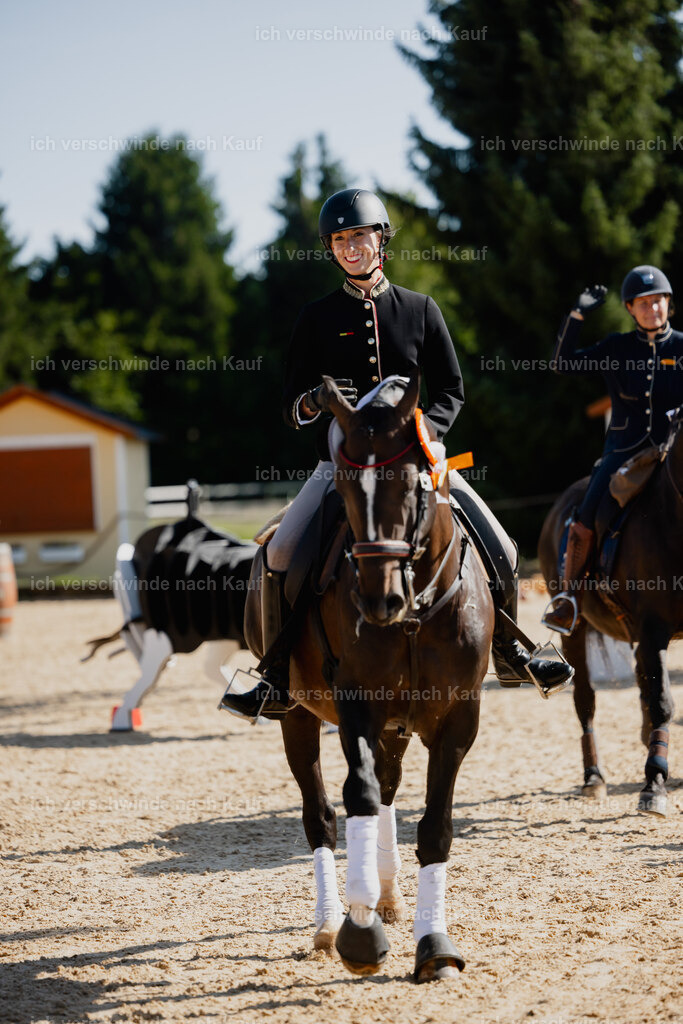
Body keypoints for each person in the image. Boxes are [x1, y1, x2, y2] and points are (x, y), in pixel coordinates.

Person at [221, 188, 572, 719]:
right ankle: (274, 676)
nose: (350, 246)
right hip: (340, 467)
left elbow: (452, 390)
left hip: (417, 463)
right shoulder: (315, 318)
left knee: (498, 542)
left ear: (380, 239)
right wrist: (315, 400)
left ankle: (512, 649)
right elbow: (290, 409)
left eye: (359, 235)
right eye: (340, 239)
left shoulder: (420, 309)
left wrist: (423, 435)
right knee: (280, 555)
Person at [543, 265, 682, 635]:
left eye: (659, 301)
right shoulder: (616, 348)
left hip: (674, 451)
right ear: (630, 308)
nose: (653, 308)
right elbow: (563, 363)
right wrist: (576, 316)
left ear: (669, 304)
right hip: (625, 451)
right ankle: (568, 599)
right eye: (644, 303)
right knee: (586, 515)